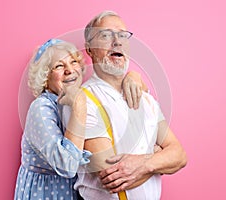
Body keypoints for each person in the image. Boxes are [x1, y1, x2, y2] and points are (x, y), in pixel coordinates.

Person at [62, 11, 187, 199]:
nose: (117, 42)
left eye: (122, 35)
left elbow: (179, 155)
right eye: (105, 35)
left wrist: (144, 162)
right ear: (89, 49)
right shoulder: (82, 101)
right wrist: (159, 158)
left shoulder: (146, 99)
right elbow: (110, 175)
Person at [14, 39, 147, 200]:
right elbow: (67, 165)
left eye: (73, 62)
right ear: (45, 76)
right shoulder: (41, 108)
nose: (69, 70)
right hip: (47, 193)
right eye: (59, 66)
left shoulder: (76, 98)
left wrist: (132, 76)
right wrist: (79, 104)